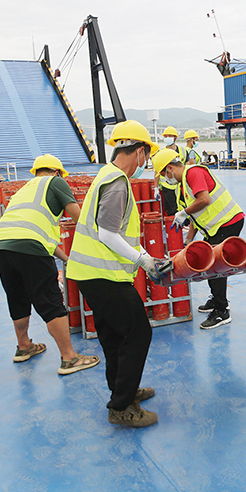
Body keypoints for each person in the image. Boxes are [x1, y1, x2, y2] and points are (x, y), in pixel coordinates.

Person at [66, 121, 171, 428]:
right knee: (139, 332)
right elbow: (107, 233)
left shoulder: (105, 174)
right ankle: (122, 406)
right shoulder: (118, 183)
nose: (144, 164)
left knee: (114, 336)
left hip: (89, 273)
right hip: (103, 275)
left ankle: (122, 390)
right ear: (139, 152)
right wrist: (145, 260)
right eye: (145, 157)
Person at [0, 154, 99, 376]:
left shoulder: (24, 189)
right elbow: (79, 218)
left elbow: (36, 232)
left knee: (17, 297)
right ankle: (70, 358)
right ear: (57, 172)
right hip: (29, 247)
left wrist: (67, 259)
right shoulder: (55, 182)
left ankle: (24, 346)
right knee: (50, 301)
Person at [151, 147, 244, 330]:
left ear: (170, 168)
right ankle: (217, 300)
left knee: (215, 266)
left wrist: (183, 213)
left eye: (163, 173)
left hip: (228, 222)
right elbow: (196, 216)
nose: (164, 178)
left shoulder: (193, 173)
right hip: (216, 228)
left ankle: (222, 310)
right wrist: (188, 241)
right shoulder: (182, 185)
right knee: (208, 264)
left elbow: (204, 200)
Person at [155, 126, 180, 215]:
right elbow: (157, 171)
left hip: (180, 187)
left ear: (175, 138)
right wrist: (156, 187)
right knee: (171, 212)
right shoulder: (161, 153)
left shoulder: (182, 151)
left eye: (170, 136)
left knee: (183, 209)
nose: (167, 138)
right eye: (166, 136)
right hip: (167, 187)